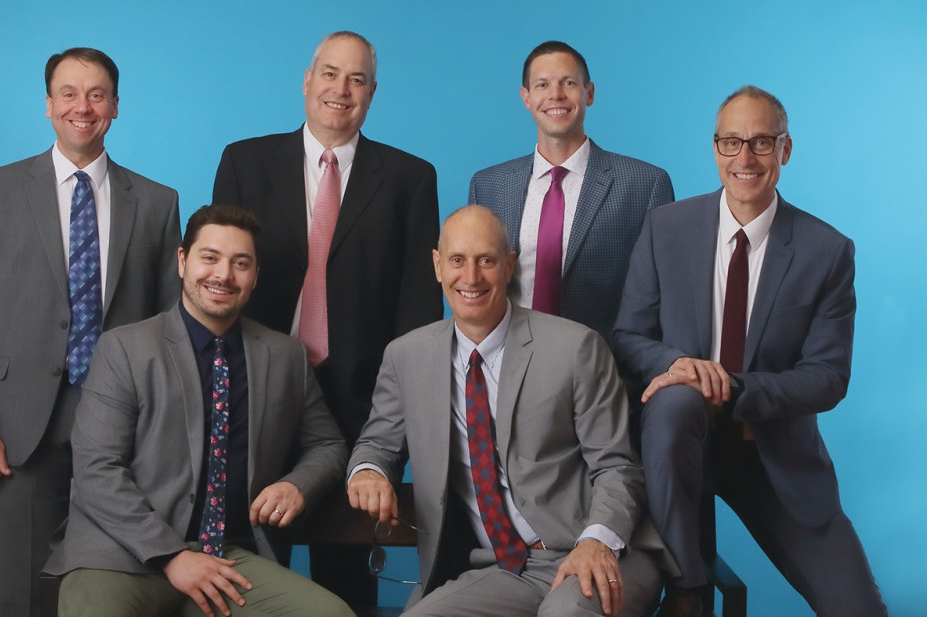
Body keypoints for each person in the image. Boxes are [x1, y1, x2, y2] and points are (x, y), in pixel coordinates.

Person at [612, 86, 888, 617]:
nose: (745, 159)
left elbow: (828, 376)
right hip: (673, 446)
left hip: (772, 450)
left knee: (860, 609)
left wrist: (734, 385)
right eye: (732, 142)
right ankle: (687, 588)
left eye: (761, 143)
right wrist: (677, 367)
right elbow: (627, 336)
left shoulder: (827, 251)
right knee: (676, 400)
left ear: (786, 150)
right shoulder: (665, 229)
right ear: (714, 148)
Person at [347, 205, 674, 617]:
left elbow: (617, 467)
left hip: (601, 550)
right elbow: (378, 442)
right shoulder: (406, 356)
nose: (470, 277)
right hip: (506, 568)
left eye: (486, 260)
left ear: (509, 265)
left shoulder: (576, 348)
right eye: (457, 261)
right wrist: (369, 471)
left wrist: (595, 541)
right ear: (437, 266)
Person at [0, 47, 181, 617]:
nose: (84, 106)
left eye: (97, 94)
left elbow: (168, 323)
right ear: (49, 105)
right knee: (23, 591)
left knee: (112, 579)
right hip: (17, 421)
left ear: (116, 106)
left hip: (121, 421)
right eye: (70, 94)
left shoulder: (155, 202)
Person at [211, 30, 442, 606]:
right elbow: (217, 288)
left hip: (361, 414)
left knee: (346, 589)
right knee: (248, 578)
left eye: (358, 79)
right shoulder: (245, 161)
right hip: (254, 399)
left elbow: (418, 313)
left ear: (372, 92)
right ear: (308, 80)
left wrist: (395, 426)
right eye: (331, 74)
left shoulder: (411, 179)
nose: (342, 89)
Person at [44, 204, 353, 617]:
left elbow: (328, 445)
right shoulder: (125, 349)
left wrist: (298, 484)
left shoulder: (286, 356)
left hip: (229, 557)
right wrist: (172, 556)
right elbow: (96, 468)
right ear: (182, 261)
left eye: (240, 263)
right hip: (121, 553)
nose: (223, 275)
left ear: (256, 275)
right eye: (209, 258)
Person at [468, 41, 673, 343]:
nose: (555, 95)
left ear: (589, 92)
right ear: (526, 97)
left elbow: (664, 295)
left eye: (568, 83)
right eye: (542, 84)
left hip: (603, 364)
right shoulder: (488, 185)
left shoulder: (645, 184)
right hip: (506, 361)